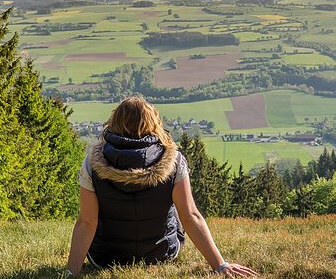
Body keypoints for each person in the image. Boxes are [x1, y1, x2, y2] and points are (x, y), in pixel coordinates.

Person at [64, 96, 258, 278]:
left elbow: (87, 223)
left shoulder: (92, 163)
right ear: (153, 123)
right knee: (179, 209)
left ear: (114, 121)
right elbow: (190, 216)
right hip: (161, 254)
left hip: (106, 258)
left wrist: (71, 273)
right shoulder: (173, 161)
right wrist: (220, 265)